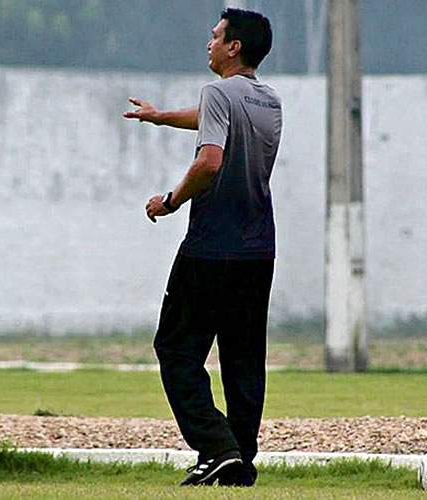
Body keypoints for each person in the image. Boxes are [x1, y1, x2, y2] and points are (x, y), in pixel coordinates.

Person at [123, 8, 281, 487]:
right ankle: (238, 460)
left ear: (234, 47)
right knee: (243, 359)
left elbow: (210, 160)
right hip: (259, 251)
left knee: (175, 349)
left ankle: (215, 446)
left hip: (212, 249)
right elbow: (212, 120)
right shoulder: (270, 100)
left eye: (215, 37)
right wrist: (160, 118)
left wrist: (170, 201)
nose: (208, 44)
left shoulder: (217, 91)